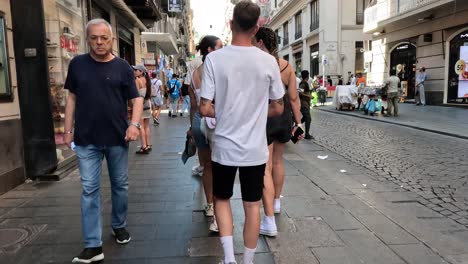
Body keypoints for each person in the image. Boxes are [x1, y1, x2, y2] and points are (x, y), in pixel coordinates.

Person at [199, 2, 285, 264]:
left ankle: (228, 258)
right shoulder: (269, 61)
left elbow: (204, 107)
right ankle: (247, 260)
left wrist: (224, 112)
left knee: (222, 199)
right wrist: (256, 113)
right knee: (252, 205)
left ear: (230, 24)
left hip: (224, 146)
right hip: (255, 149)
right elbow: (278, 106)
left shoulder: (214, 59)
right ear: (257, 27)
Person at [64, 19, 143, 263]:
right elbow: (71, 99)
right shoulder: (77, 65)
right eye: (94, 38)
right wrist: (67, 131)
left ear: (111, 39)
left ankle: (118, 225)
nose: (99, 42)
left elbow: (136, 99)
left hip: (117, 137)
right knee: (89, 189)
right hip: (86, 139)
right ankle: (93, 245)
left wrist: (135, 124)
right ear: (88, 39)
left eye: (104, 38)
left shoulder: (122, 67)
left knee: (120, 185)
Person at [253, 27, 304, 239]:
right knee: (278, 162)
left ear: (262, 42)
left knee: (264, 168)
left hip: (265, 115)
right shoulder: (286, 67)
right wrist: (299, 123)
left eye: (256, 41)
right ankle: (276, 203)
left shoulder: (258, 63)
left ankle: (269, 221)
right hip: (284, 118)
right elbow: (294, 98)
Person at [188, 35, 223, 232]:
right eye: (220, 46)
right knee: (219, 167)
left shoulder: (193, 73)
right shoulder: (217, 69)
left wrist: (191, 127)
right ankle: (218, 218)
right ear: (210, 50)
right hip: (215, 119)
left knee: (206, 166)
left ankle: (209, 205)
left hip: (198, 121)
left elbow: (194, 105)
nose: (223, 49)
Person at [133, 65, 152, 154]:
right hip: (147, 104)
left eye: (136, 70)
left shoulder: (137, 80)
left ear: (141, 72)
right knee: (146, 126)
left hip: (140, 106)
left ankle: (143, 146)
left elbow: (136, 95)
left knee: (140, 127)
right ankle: (148, 144)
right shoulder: (148, 81)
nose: (134, 71)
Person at [298, 70, 313, 140]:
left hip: (305, 103)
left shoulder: (304, 83)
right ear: (307, 76)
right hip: (304, 104)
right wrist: (308, 96)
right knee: (308, 119)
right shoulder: (303, 83)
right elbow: (300, 92)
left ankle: (295, 128)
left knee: (304, 118)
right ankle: (307, 135)